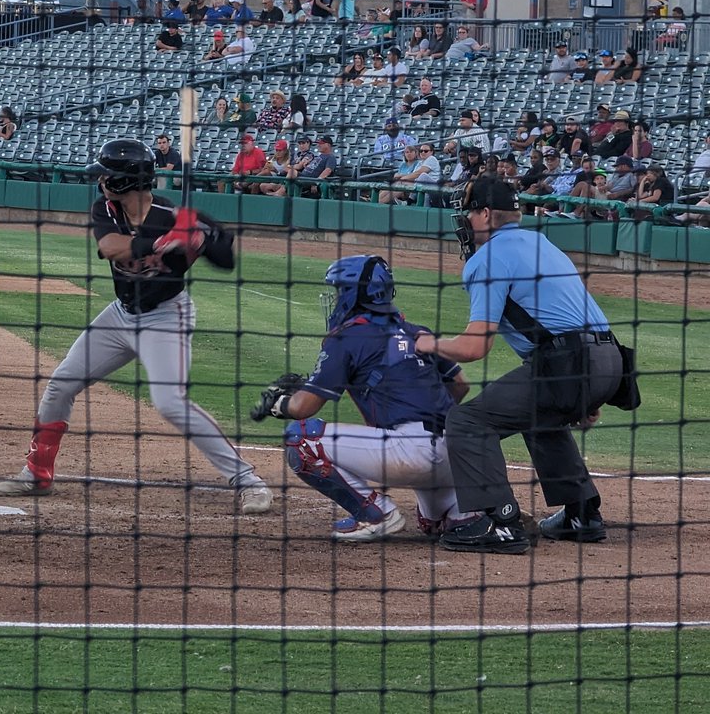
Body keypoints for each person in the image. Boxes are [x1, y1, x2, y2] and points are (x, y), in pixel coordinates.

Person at [0, 139, 274, 514]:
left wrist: (200, 238)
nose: (102, 181)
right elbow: (111, 247)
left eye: (107, 176)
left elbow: (227, 258)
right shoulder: (105, 208)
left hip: (166, 317)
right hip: (121, 315)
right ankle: (36, 474)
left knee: (170, 402)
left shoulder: (176, 215)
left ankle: (248, 481)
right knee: (61, 385)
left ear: (125, 181)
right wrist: (160, 241)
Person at [414, 177, 634, 553]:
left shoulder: (488, 259)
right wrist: (586, 394)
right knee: (536, 412)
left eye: (469, 212)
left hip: (572, 363)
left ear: (484, 214)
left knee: (467, 422)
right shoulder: (540, 242)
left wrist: (428, 344)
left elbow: (475, 346)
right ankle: (581, 514)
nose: (465, 220)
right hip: (611, 362)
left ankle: (499, 522)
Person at [250, 256, 473, 541]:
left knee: (302, 439)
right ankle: (456, 511)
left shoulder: (348, 337)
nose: (336, 298)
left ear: (354, 293)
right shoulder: (417, 331)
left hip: (410, 453)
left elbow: (304, 407)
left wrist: (278, 405)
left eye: (339, 291)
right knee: (436, 526)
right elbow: (460, 385)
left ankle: (377, 515)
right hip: (455, 453)